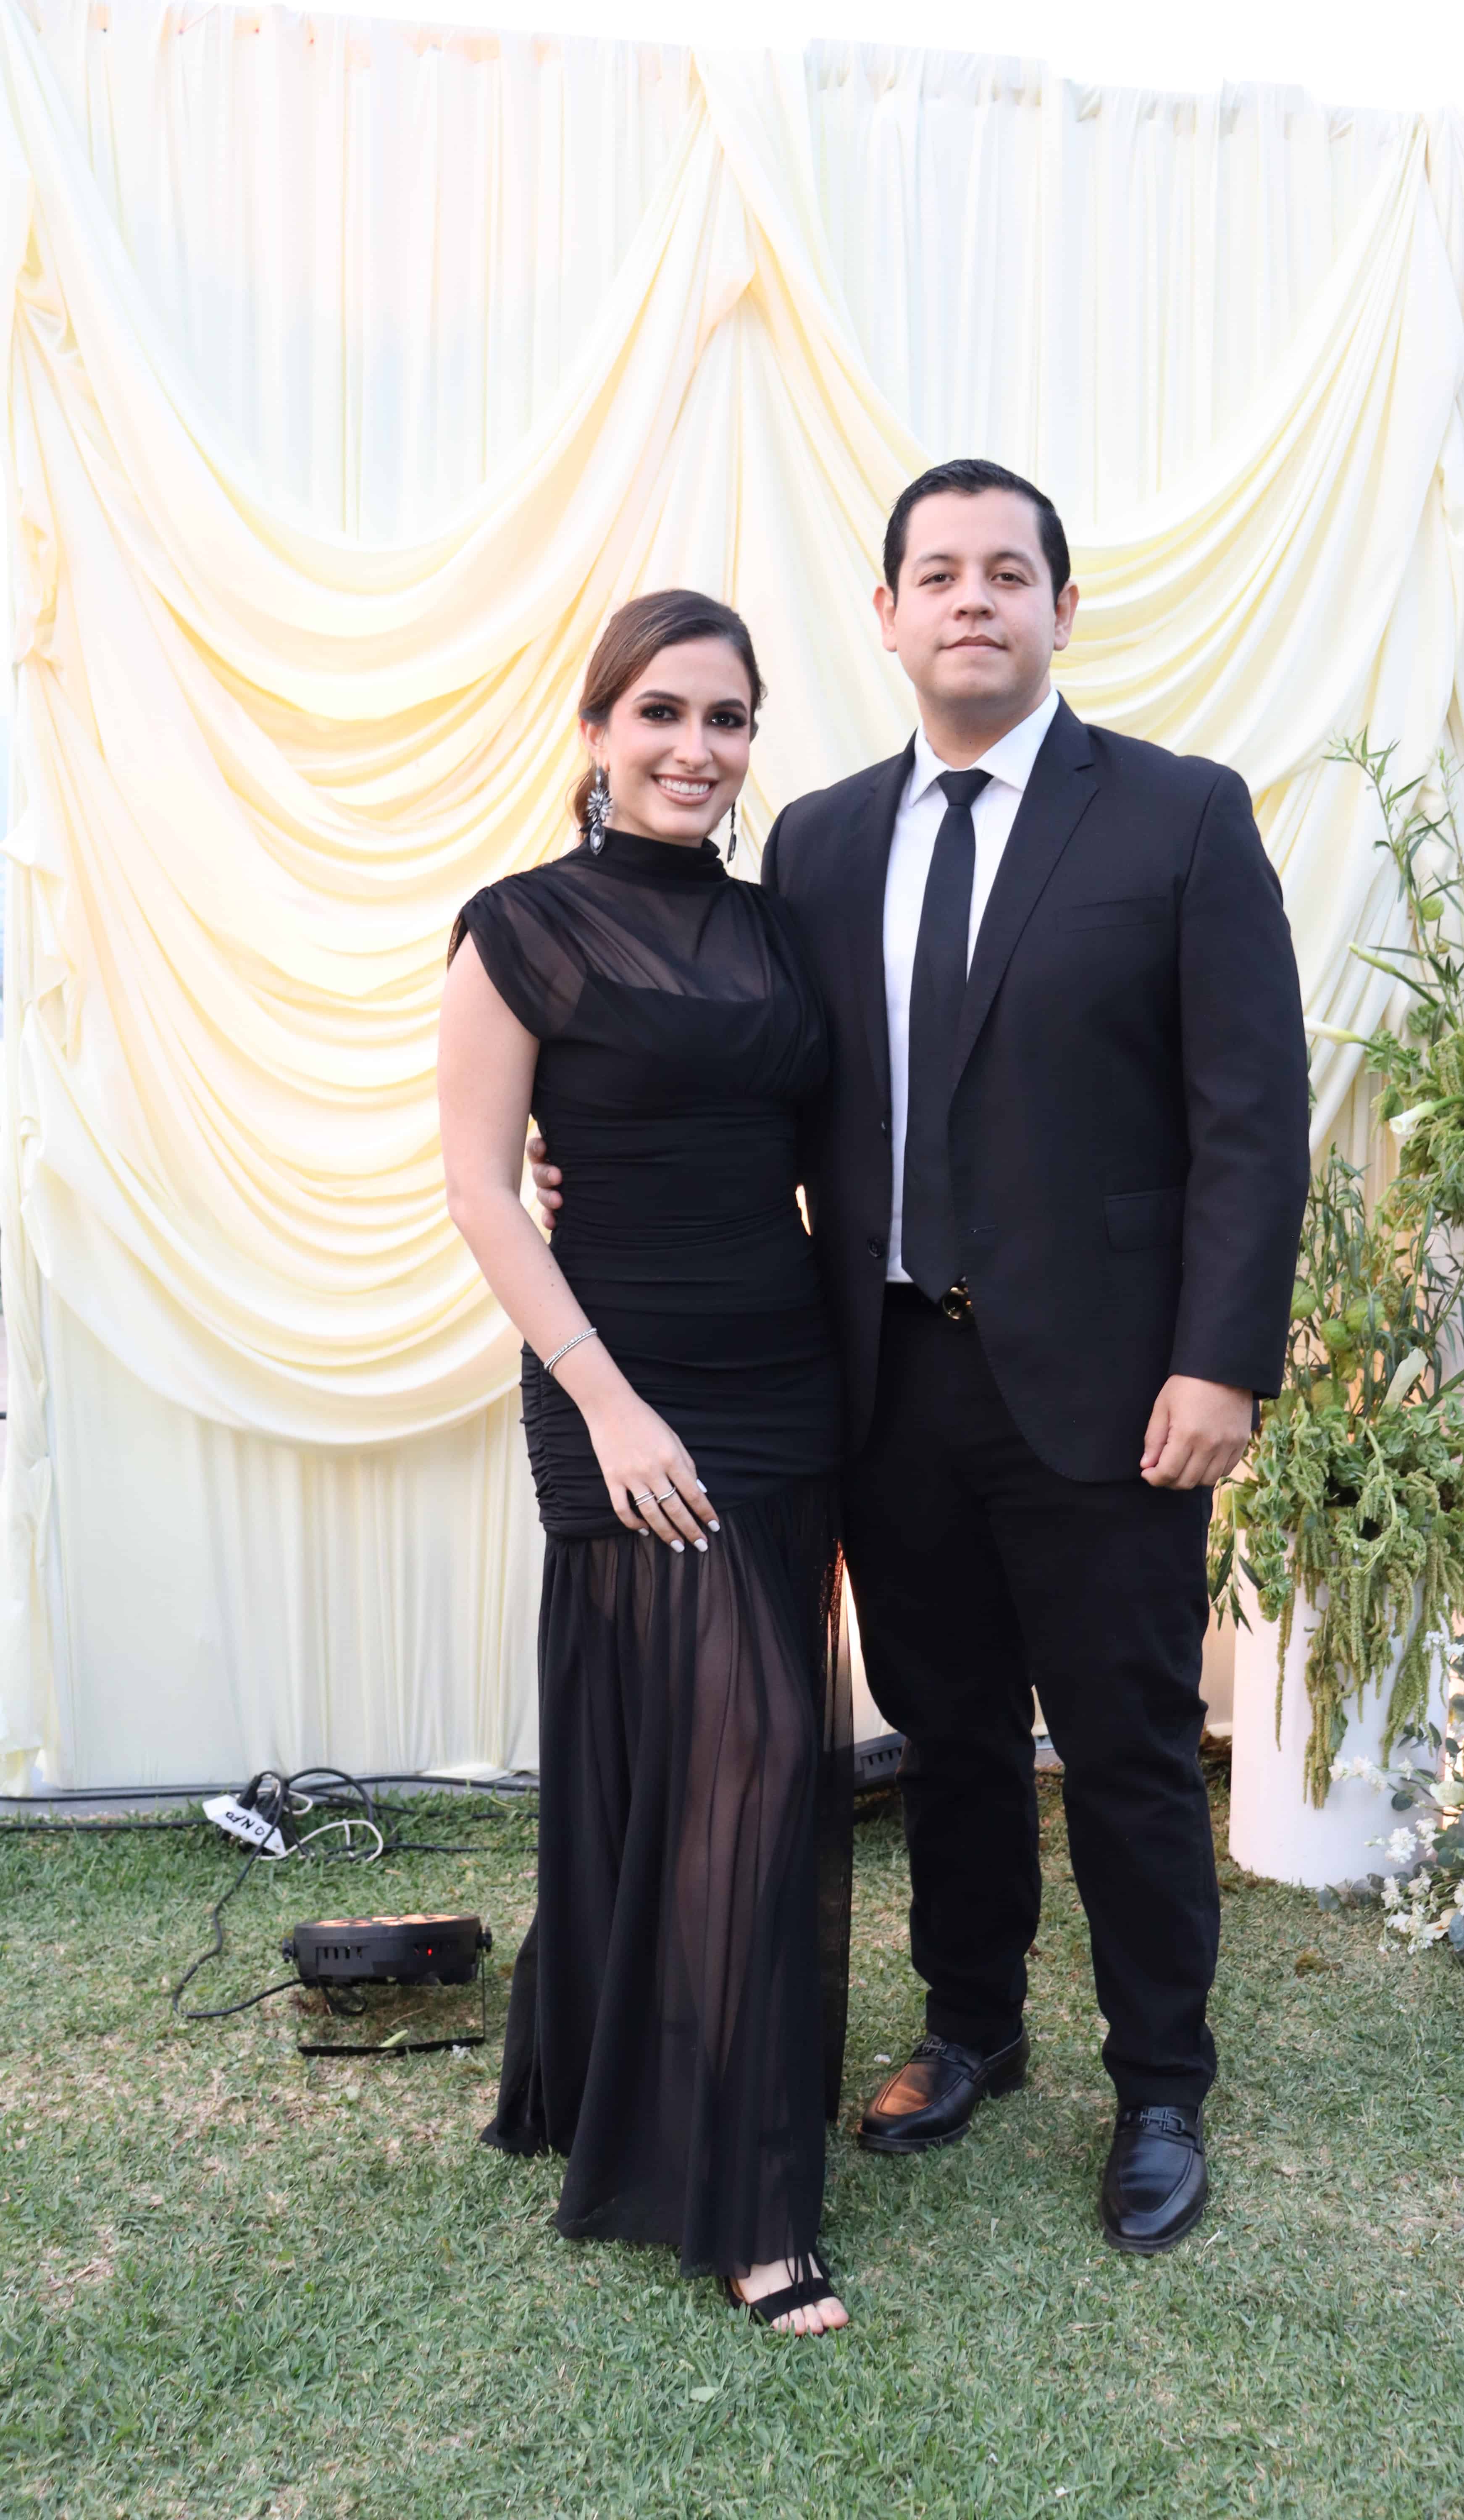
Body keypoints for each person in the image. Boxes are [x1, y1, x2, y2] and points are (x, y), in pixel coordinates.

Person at [532, 460, 1309, 2257]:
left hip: (1115, 1391)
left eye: (1008, 573)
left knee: (1123, 1742)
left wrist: (1221, 1361)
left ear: (1061, 610)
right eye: (937, 573)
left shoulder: (1180, 817)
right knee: (946, 1727)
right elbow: (740, 1064)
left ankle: (1161, 2087)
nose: (974, 598)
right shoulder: (815, 842)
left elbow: (1251, 1115)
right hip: (879, 1380)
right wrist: (578, 1153)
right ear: (884, 615)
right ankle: (972, 2028)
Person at [438, 589, 852, 2336]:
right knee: (746, 1748)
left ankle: (589, 2072)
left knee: (730, 1752)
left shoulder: (779, 932)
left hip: (785, 1381)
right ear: (597, 729)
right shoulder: (519, 926)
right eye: (662, 713)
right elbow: (482, 1189)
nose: (696, 747)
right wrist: (608, 1403)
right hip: (622, 1388)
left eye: (727, 718)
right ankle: (745, 2193)